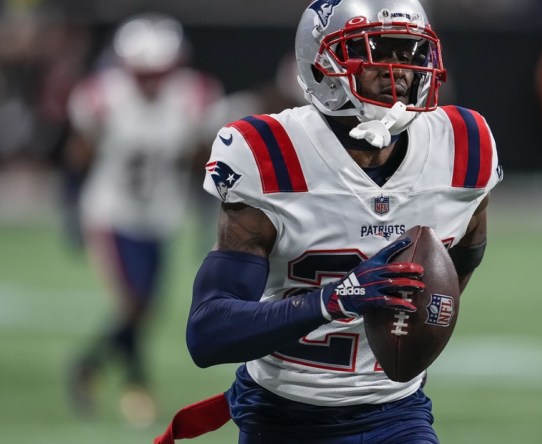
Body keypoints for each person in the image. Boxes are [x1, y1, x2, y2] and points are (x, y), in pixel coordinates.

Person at [156, 0, 501, 442]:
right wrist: (334, 299)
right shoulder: (270, 153)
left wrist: (417, 320)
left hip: (396, 413)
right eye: (376, 51)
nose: (397, 72)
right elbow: (207, 333)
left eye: (409, 54)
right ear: (322, 64)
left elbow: (467, 252)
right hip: (282, 415)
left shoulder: (463, 145)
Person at [64, 13, 223, 427]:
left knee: (146, 308)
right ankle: (134, 385)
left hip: (161, 215)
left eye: (159, 73)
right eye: (143, 73)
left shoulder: (195, 98)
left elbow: (202, 162)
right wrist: (69, 214)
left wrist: (207, 215)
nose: (151, 82)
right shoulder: (101, 97)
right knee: (133, 303)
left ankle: (92, 368)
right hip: (111, 212)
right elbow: (77, 156)